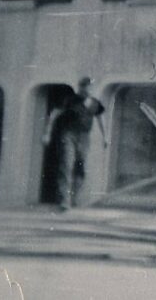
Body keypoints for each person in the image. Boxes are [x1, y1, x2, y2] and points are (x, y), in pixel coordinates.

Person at [42, 76, 107, 211]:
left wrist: (105, 136)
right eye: (85, 86)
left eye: (90, 87)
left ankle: (74, 198)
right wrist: (47, 133)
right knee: (66, 165)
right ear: (80, 87)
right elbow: (54, 114)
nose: (88, 89)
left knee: (80, 168)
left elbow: (101, 118)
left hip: (84, 137)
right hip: (69, 135)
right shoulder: (70, 100)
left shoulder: (94, 103)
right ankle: (64, 202)